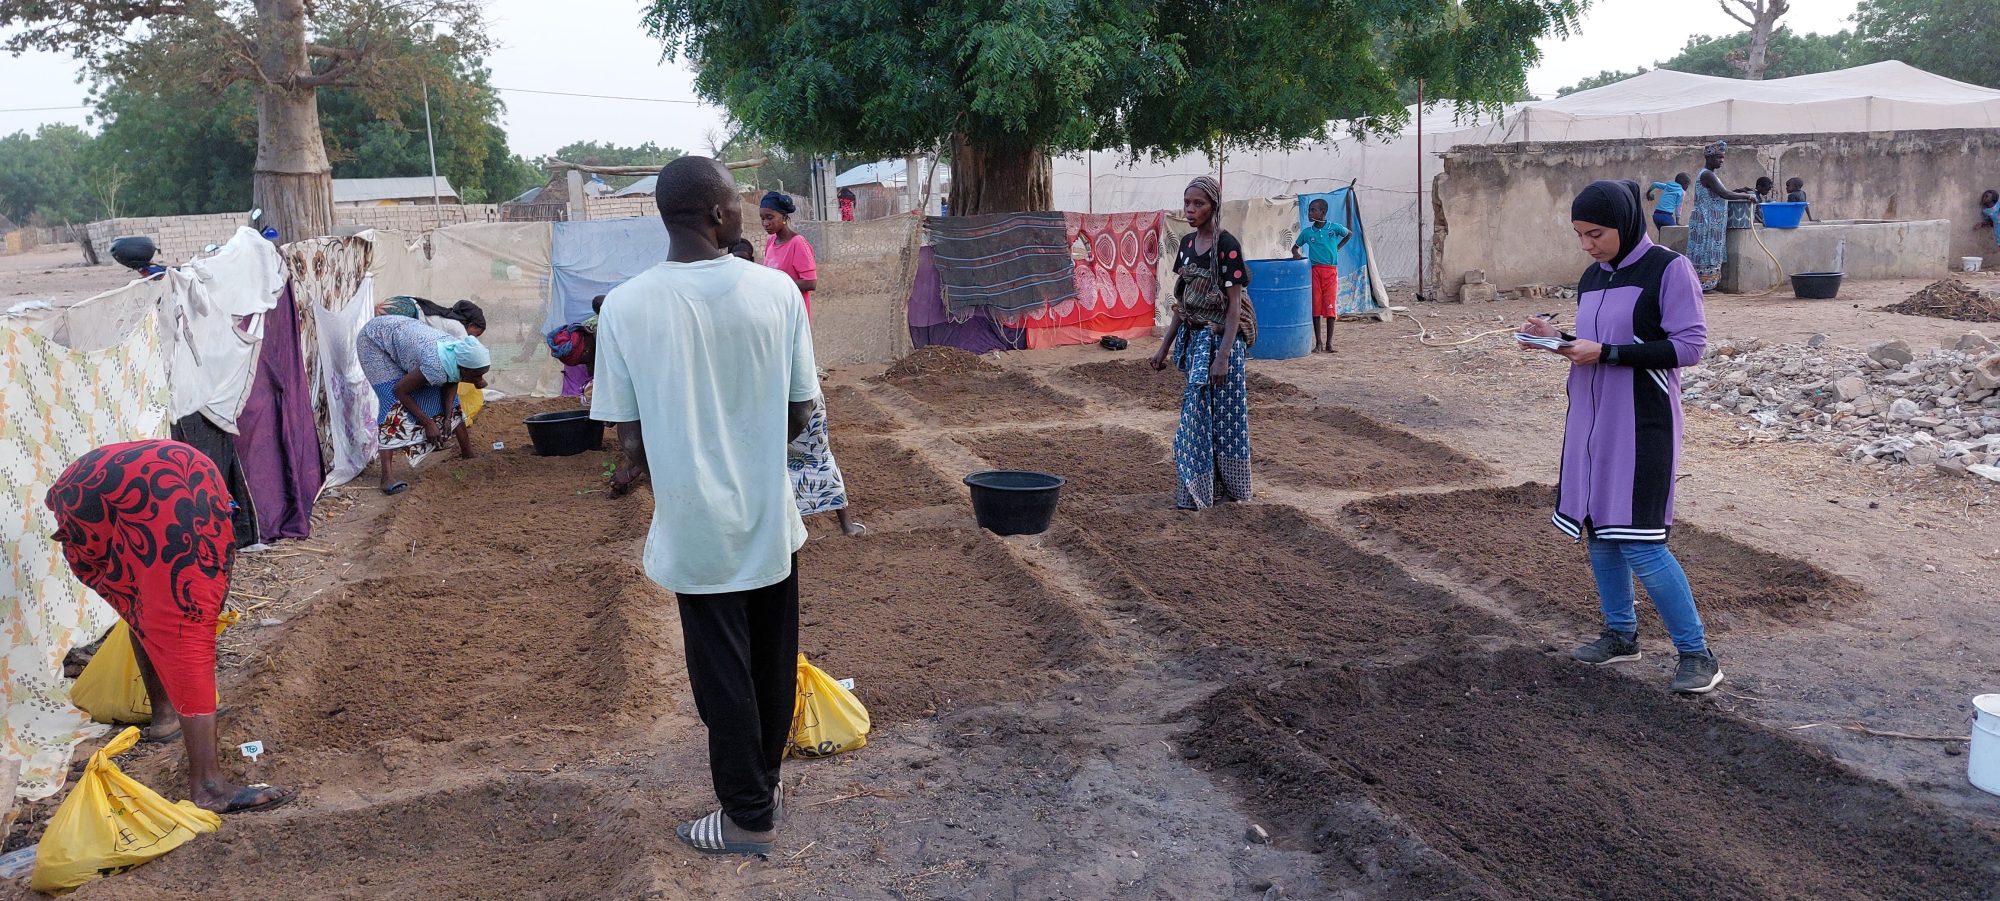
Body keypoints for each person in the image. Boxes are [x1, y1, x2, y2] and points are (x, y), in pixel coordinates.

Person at [592, 156, 819, 856]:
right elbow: (799, 411)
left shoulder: (625, 307)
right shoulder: (776, 291)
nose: (746, 211)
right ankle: (765, 787)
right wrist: (748, 449)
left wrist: (664, 459)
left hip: (695, 527)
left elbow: (626, 442)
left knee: (722, 673)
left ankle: (748, 816)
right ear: (717, 215)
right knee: (773, 660)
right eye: (738, 201)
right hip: (767, 514)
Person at [1518, 180, 1721, 695]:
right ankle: (1619, 634)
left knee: (1641, 540)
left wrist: (1606, 354)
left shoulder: (1669, 269)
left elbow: (1689, 347)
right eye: (1580, 235)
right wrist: (1554, 340)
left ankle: (1697, 654)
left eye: (1596, 234)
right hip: (1591, 422)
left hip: (1642, 423)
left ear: (1626, 223)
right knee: (1601, 530)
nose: (1588, 245)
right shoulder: (1592, 278)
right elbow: (1596, 343)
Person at [47, 440, 294, 814]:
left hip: (84, 491)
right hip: (120, 496)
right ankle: (209, 787)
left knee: (149, 605)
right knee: (185, 629)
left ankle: (164, 719)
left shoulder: (204, 504)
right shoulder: (199, 534)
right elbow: (190, 630)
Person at [757, 191, 863, 536]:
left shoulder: (797, 244)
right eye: (763, 218)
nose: (766, 223)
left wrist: (778, 283)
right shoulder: (771, 246)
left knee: (810, 432)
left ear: (784, 218)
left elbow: (811, 281)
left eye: (770, 217)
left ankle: (835, 516)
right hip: (774, 328)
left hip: (793, 327)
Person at [1151, 175, 1255, 510]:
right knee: (1197, 416)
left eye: (1199, 204)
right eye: (1187, 203)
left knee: (1225, 418)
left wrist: (1223, 356)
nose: (1191, 210)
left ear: (1214, 207)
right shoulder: (1186, 246)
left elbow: (1235, 306)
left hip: (1222, 343)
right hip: (1196, 343)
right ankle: (1200, 490)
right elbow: (1184, 303)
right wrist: (1163, 348)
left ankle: (1230, 489)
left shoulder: (1227, 246)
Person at [357, 314, 490, 495]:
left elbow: (452, 381)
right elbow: (400, 391)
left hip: (402, 336)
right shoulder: (436, 365)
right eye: (476, 376)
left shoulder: (458, 352)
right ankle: (386, 477)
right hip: (375, 342)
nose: (480, 381)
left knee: (445, 397)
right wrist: (427, 422)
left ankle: (467, 452)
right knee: (392, 404)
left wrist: (447, 417)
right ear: (464, 368)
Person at [1687, 141, 1759, 291]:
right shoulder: (1707, 174)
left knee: (1707, 252)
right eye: (1719, 157)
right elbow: (1724, 194)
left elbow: (1718, 193)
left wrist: (1739, 190)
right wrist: (1747, 196)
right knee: (1705, 252)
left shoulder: (1710, 175)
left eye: (1723, 157)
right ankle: (1703, 285)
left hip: (1711, 221)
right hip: (1706, 221)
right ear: (1709, 157)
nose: (1722, 161)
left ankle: (1705, 284)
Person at [1290, 197, 1350, 354]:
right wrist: (1296, 254)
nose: (1309, 213)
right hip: (1314, 271)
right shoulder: (1307, 233)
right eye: (1309, 210)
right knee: (1316, 306)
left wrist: (1337, 248)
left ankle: (1330, 343)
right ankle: (1318, 343)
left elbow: (1348, 234)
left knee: (1330, 307)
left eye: (1313, 210)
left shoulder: (1333, 228)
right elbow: (1295, 247)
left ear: (1323, 212)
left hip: (1330, 272)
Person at [378, 295, 486, 338]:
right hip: (408, 313)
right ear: (471, 324)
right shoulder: (459, 329)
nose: (475, 338)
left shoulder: (447, 316)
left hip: (404, 303)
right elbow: (466, 354)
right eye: (477, 333)